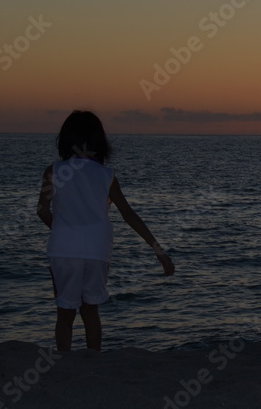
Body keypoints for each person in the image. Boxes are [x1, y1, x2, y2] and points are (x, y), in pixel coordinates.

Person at [36, 110, 174, 352]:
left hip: (64, 249)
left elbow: (42, 210)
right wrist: (159, 251)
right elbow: (128, 214)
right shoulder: (106, 175)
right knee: (91, 311)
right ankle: (94, 361)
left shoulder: (54, 171)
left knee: (65, 313)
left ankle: (64, 363)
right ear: (99, 140)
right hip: (97, 250)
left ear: (66, 139)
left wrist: (62, 229)